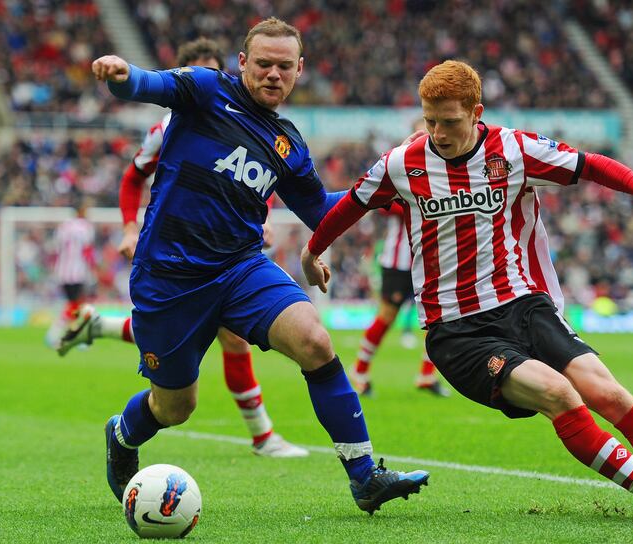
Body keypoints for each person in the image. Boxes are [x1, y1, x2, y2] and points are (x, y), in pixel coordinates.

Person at [301, 60, 633, 523]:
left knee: (608, 392)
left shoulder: (515, 149)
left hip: (525, 306)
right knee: (559, 393)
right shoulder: (403, 163)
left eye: (450, 121)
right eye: (429, 121)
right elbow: (348, 207)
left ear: (476, 111)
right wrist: (311, 251)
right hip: (459, 332)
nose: (438, 133)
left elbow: (591, 165)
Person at [90, 17, 429, 514]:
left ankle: (364, 477)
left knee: (314, 341)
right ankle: (122, 434)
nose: (273, 74)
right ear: (243, 63)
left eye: (284, 66)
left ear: (299, 72)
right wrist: (123, 74)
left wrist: (380, 188)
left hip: (241, 269)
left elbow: (319, 210)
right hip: (169, 278)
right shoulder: (205, 90)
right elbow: (150, 83)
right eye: (264, 63)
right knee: (175, 407)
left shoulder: (287, 144)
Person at [59, 38, 307, 459]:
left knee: (229, 336)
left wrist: (258, 220)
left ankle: (262, 434)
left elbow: (252, 176)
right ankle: (262, 436)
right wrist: (126, 228)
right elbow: (132, 178)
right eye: (199, 73)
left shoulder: (248, 120)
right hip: (176, 255)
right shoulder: (166, 129)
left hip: (232, 253)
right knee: (200, 352)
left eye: (216, 71)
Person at [352, 200, 450, 398]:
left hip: (429, 260)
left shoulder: (437, 176)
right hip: (398, 262)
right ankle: (359, 370)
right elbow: (382, 203)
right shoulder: (401, 173)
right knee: (387, 316)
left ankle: (427, 375)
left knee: (437, 318)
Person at [45, 199, 96, 348]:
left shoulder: (64, 226)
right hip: (77, 272)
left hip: (62, 271)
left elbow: (56, 248)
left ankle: (74, 337)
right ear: (82, 211)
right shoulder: (85, 227)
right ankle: (55, 334)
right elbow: (87, 251)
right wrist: (93, 269)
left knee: (75, 305)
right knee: (75, 305)